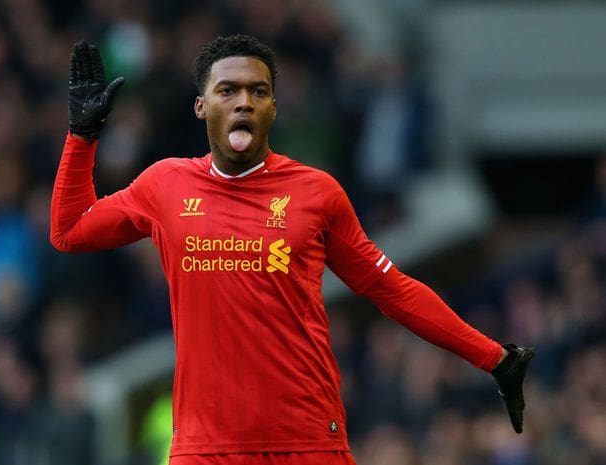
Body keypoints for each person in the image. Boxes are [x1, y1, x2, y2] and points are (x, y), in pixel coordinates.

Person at [51, 35, 534, 465]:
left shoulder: (316, 193)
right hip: (204, 448)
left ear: (273, 107)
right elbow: (69, 230)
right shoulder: (165, 184)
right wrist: (82, 137)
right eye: (228, 91)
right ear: (201, 106)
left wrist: (493, 357)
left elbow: (393, 291)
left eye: (257, 92)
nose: (243, 102)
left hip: (306, 442)